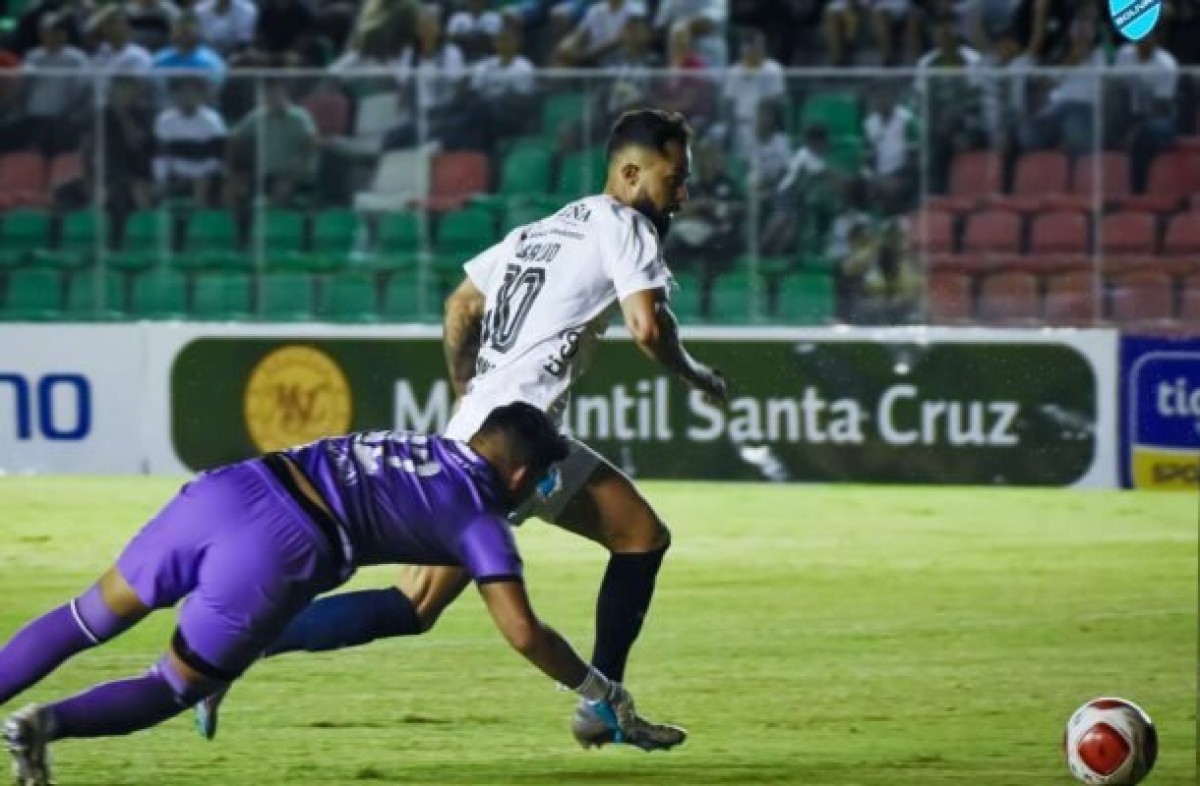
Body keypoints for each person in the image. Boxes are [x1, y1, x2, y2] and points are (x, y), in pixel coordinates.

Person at [198, 108, 728, 749]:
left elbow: (461, 304)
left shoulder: (544, 228)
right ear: (632, 171)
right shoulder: (628, 226)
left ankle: (228, 650)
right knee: (418, 605)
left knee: (633, 536)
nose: (683, 194)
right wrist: (696, 374)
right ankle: (227, 648)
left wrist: (466, 391)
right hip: (516, 447)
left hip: (497, 430)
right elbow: (648, 327)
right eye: (675, 178)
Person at [1, 403, 677, 785]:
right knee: (173, 683)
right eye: (543, 483)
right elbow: (524, 633)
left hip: (229, 488)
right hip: (279, 547)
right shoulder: (483, 520)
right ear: (523, 472)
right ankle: (40, 726)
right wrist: (599, 688)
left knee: (86, 617)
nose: (543, 495)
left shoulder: (424, 445)